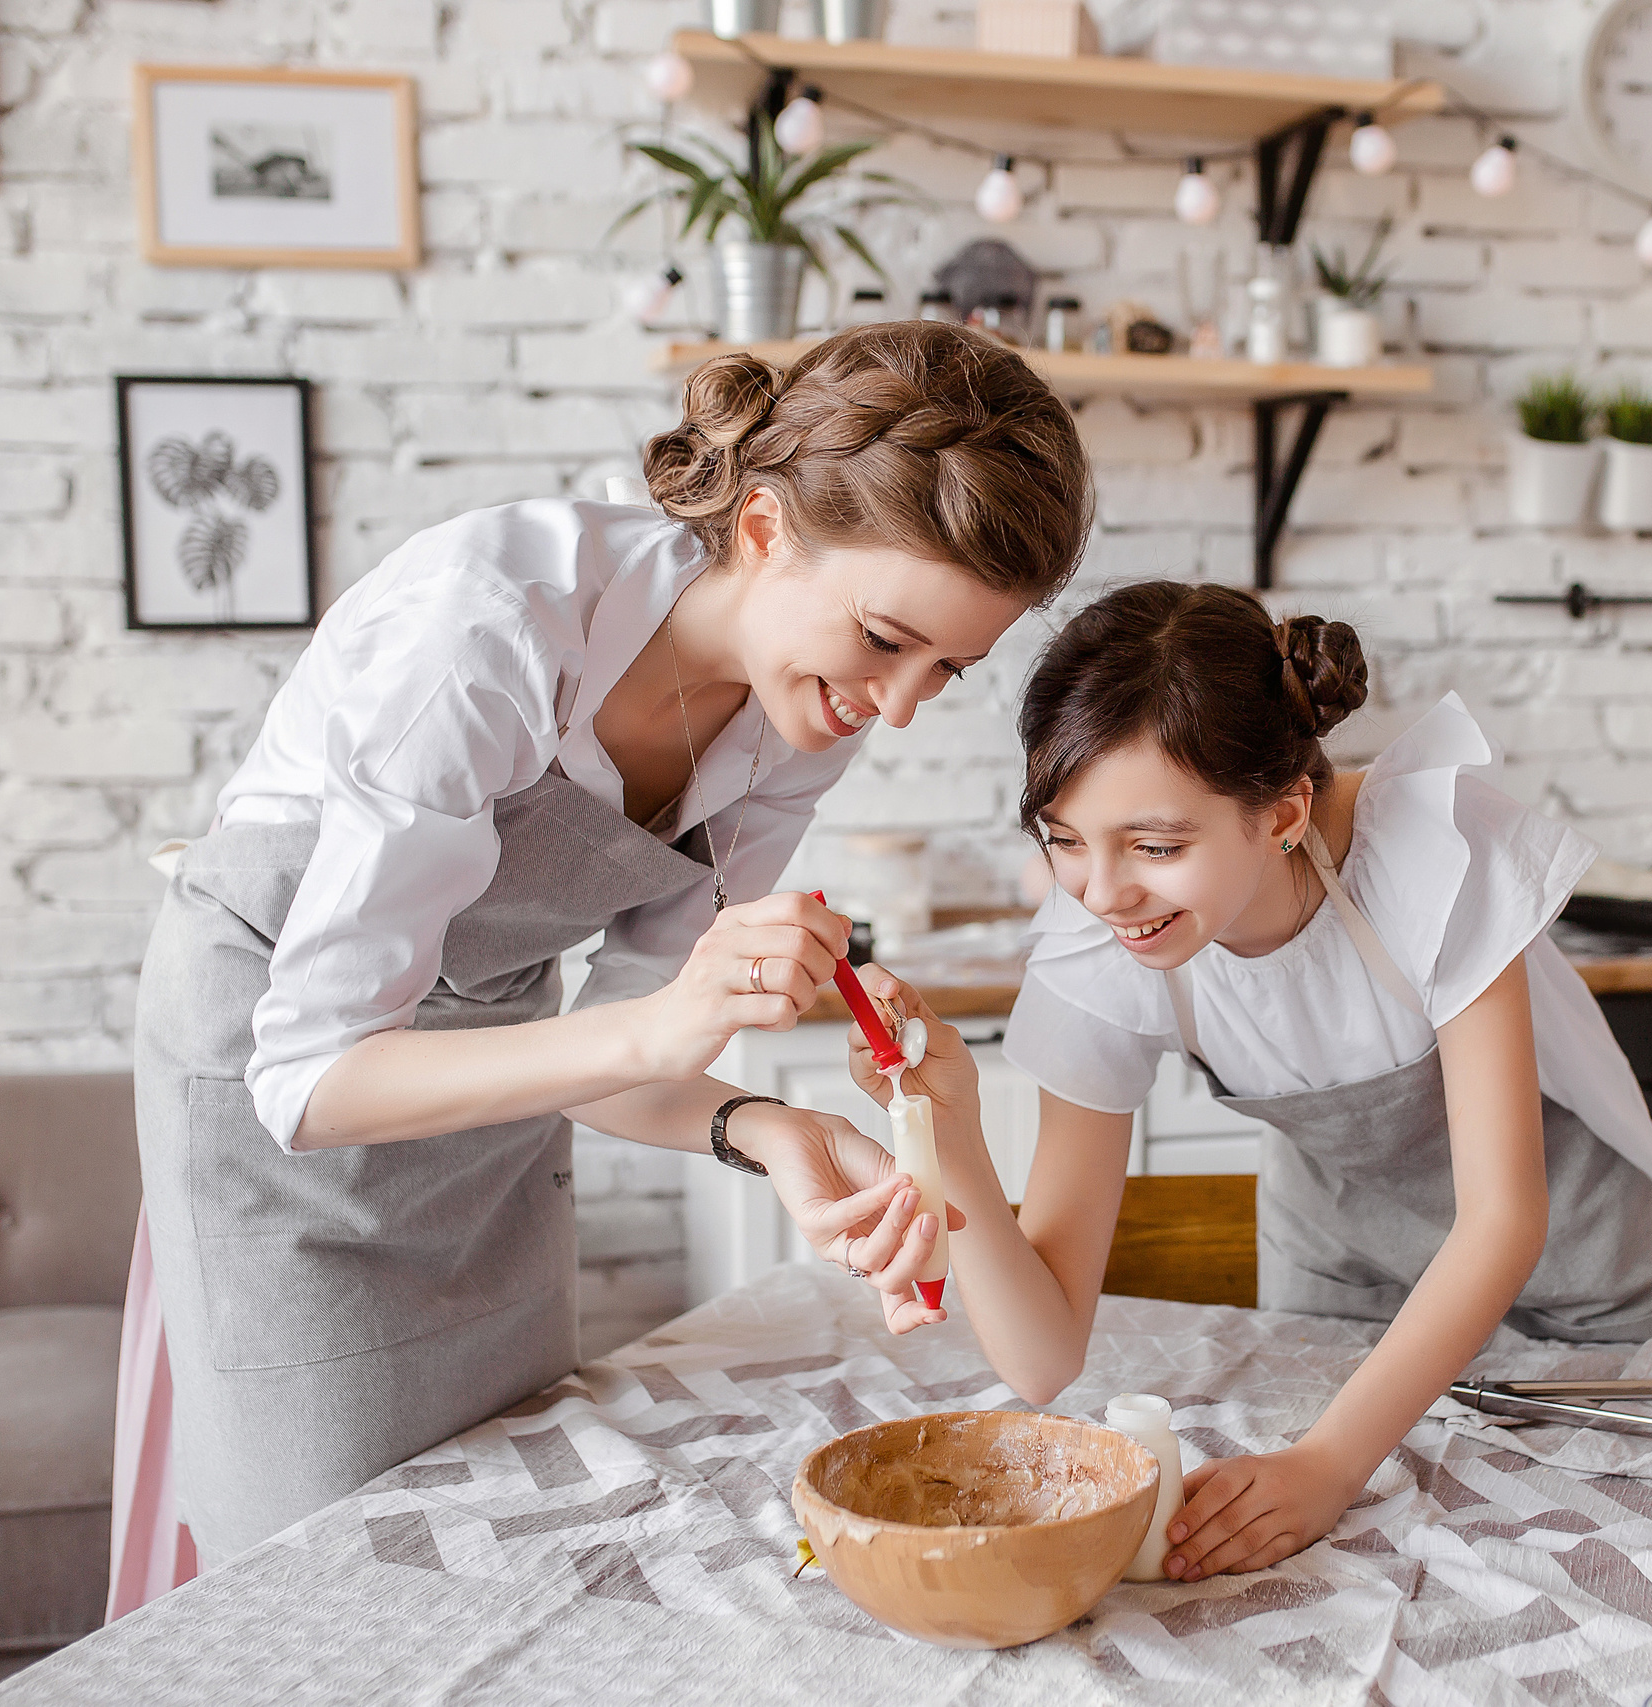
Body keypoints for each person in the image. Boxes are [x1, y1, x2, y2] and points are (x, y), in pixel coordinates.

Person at [126, 321, 1094, 1567]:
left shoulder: (801, 709)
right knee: (325, 1565)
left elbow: (631, 1065)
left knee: (496, 1525)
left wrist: (775, 1133)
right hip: (280, 1092)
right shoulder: (487, 629)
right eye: (886, 643)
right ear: (761, 531)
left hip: (496, 1086)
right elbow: (310, 1083)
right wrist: (657, 1025)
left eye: (948, 671)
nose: (895, 709)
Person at [841, 581, 1652, 1584]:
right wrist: (953, 1131)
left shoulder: (1429, 850)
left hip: (1568, 1273)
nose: (1103, 892)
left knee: (1581, 1562)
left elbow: (1504, 1219)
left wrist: (1328, 1464)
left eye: (1156, 846)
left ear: (1282, 812)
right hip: (1337, 1273)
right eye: (1065, 841)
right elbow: (1042, 1357)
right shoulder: (1102, 938)